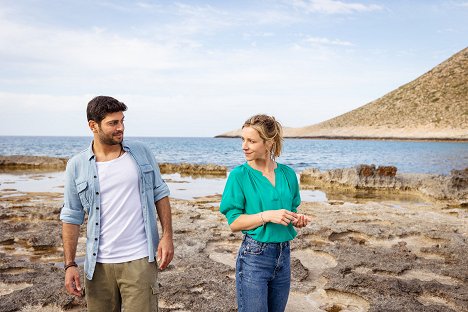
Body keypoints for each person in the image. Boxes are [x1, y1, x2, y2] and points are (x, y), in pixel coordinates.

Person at [60, 96, 173, 312]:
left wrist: (167, 236)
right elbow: (71, 216)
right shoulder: (77, 165)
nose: (120, 128)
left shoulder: (141, 152)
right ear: (93, 126)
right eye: (113, 123)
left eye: (122, 121)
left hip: (140, 260)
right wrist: (70, 264)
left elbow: (160, 193)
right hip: (97, 266)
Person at [220, 114, 311, 312]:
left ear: (269, 143)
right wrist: (267, 215)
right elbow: (234, 223)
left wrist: (296, 219)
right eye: (243, 140)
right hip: (254, 257)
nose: (244, 146)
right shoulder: (239, 176)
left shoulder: (288, 174)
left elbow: (290, 210)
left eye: (251, 141)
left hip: (284, 254)